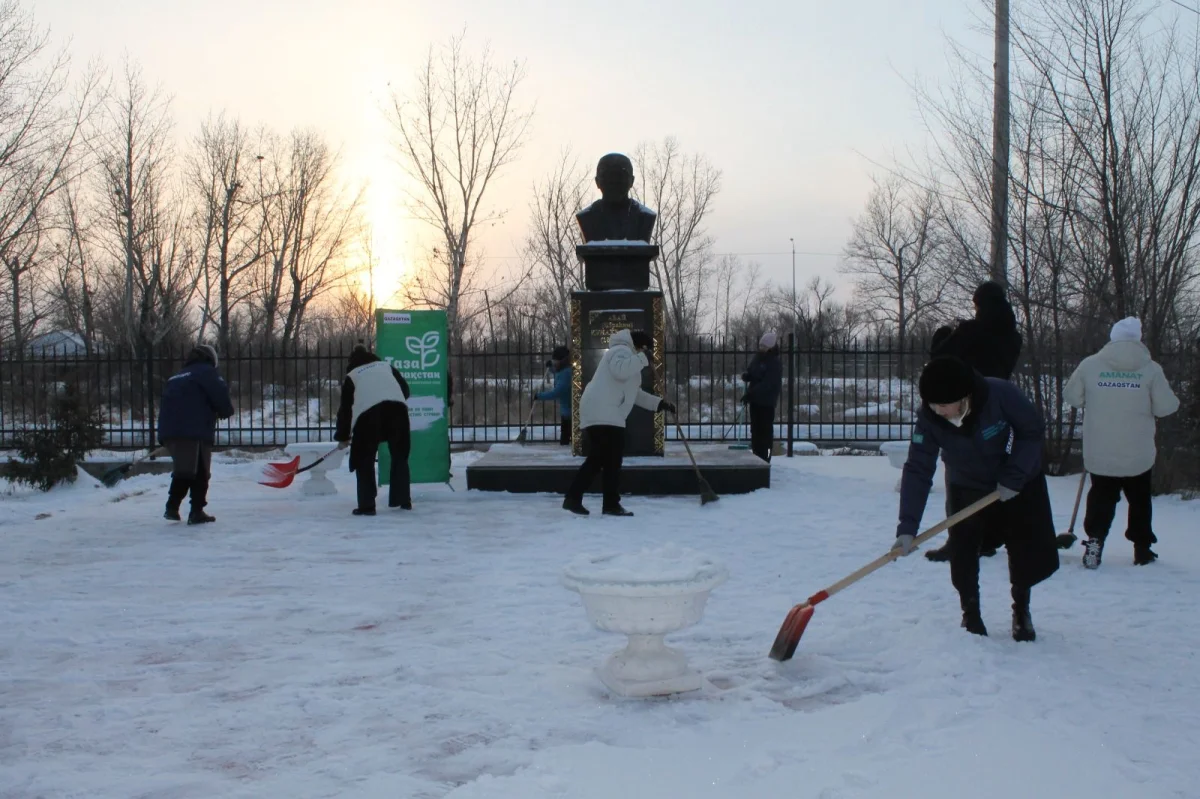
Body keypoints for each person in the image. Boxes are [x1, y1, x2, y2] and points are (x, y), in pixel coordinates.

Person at [892, 356, 1059, 641]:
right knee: (963, 550)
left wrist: (1014, 475)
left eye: (943, 405)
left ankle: (1021, 610)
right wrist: (907, 527)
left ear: (964, 396)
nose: (938, 411)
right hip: (966, 484)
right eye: (933, 405)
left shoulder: (1000, 394)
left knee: (1024, 550)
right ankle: (971, 614)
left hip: (1015, 484)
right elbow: (918, 468)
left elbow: (1031, 432)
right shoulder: (930, 417)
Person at [1063, 317, 1180, 568]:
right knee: (1139, 499)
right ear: (1138, 340)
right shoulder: (1151, 369)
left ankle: (1095, 542)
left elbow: (1071, 396)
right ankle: (1142, 549)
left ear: (1113, 337)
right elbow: (1166, 407)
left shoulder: (1090, 365)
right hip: (1138, 452)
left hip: (1101, 450)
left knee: (1101, 497)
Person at [924, 280, 1024, 562]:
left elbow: (940, 358)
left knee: (957, 473)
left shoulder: (971, 330)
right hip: (998, 409)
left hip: (965, 406)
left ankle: (959, 538)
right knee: (990, 473)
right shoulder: (1013, 337)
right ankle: (989, 538)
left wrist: (942, 334)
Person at [563, 329, 674, 516]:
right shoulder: (621, 351)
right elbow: (620, 371)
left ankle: (587, 500)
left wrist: (659, 404)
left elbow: (634, 393)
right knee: (606, 460)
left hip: (604, 411)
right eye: (647, 350)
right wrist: (642, 359)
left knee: (604, 460)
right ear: (641, 347)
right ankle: (603, 503)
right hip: (604, 412)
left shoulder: (626, 356)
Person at [158, 343, 235, 525]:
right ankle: (195, 511)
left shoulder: (176, 376)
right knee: (200, 471)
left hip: (171, 431)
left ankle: (173, 507)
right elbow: (220, 395)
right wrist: (225, 411)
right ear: (211, 359)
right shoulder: (206, 373)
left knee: (183, 469)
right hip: (194, 430)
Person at [335, 344, 412, 516]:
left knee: (364, 460)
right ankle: (403, 500)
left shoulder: (353, 376)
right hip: (398, 412)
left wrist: (343, 436)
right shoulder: (386, 366)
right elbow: (405, 390)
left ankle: (367, 505)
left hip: (368, 417)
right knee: (400, 456)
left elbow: (345, 410)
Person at [741, 332, 782, 462]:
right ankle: (756, 457)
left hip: (766, 402)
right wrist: (748, 376)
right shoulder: (758, 358)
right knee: (755, 431)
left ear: (770, 347)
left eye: (764, 346)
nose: (761, 348)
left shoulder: (774, 363)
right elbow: (753, 371)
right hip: (755, 402)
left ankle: (766, 458)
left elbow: (768, 384)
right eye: (760, 345)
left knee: (765, 433)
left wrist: (751, 394)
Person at [535, 346, 573, 445]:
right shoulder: (563, 370)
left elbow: (557, 392)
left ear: (562, 360)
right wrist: (550, 367)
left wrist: (540, 396)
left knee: (565, 440)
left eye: (555, 360)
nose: (554, 362)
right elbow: (557, 372)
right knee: (565, 438)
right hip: (566, 411)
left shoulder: (566, 373)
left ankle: (567, 457)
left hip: (570, 412)